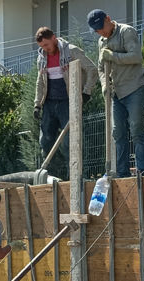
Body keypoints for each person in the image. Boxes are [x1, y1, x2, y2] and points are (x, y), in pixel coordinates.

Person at [87, 8, 144, 177]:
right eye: (97, 30)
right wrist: (103, 84)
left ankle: (143, 170)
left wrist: (113, 56)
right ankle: (122, 173)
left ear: (108, 18)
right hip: (116, 93)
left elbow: (136, 56)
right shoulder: (101, 42)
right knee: (118, 132)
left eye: (102, 27)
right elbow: (101, 68)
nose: (101, 32)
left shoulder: (126, 32)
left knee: (136, 129)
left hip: (135, 88)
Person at [33, 27, 97, 175]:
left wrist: (86, 92)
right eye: (42, 47)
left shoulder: (72, 51)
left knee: (70, 142)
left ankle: (74, 175)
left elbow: (92, 69)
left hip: (68, 102)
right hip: (49, 104)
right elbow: (40, 81)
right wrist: (37, 105)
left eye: (47, 45)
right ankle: (50, 176)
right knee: (46, 141)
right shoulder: (41, 57)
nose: (45, 49)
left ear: (54, 38)